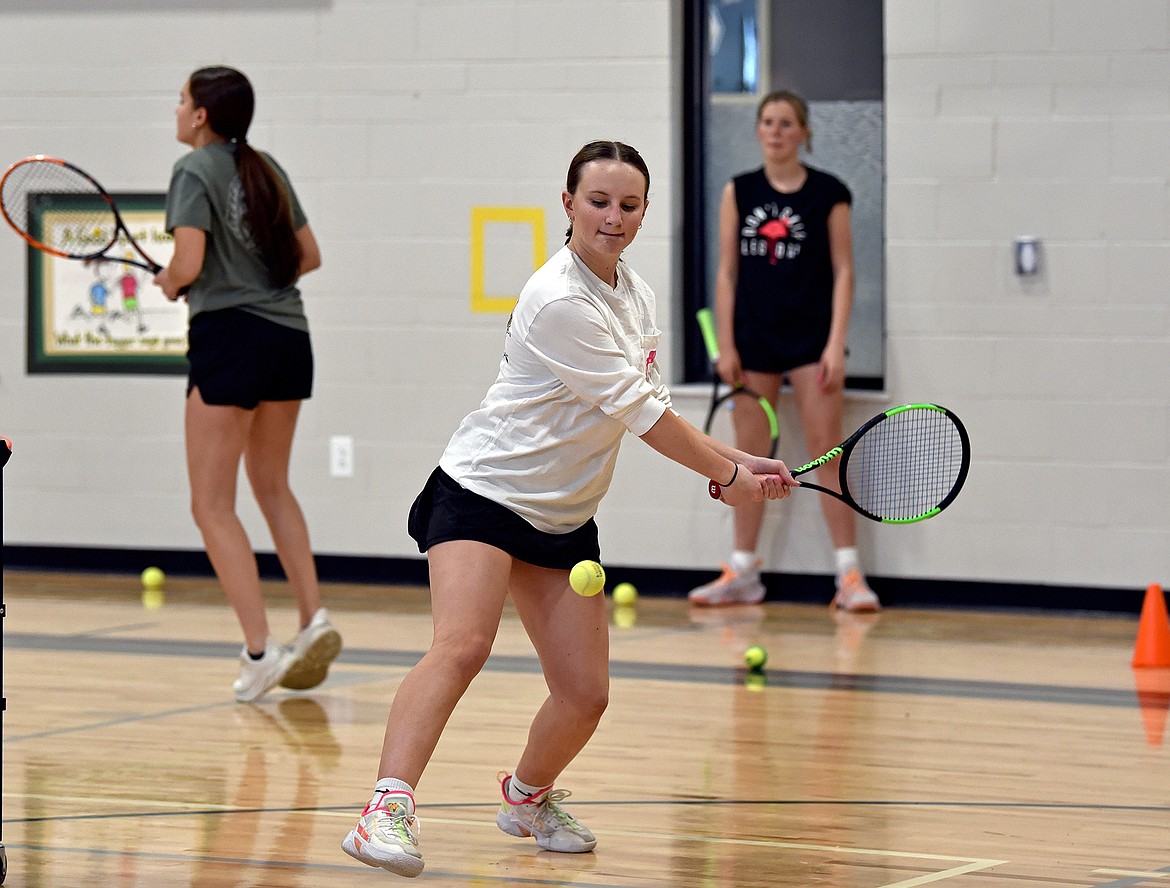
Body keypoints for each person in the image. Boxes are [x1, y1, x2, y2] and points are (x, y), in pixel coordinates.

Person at [341, 140, 797, 877]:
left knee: (585, 695)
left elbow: (652, 405)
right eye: (598, 201)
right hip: (483, 492)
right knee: (463, 644)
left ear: (644, 211)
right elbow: (642, 419)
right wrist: (725, 475)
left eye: (628, 204)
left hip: (563, 514)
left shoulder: (635, 296)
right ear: (567, 204)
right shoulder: (558, 299)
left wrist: (738, 463)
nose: (613, 217)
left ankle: (526, 797)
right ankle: (384, 811)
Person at [153, 66, 341, 703]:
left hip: (229, 339)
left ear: (202, 115)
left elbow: (189, 261)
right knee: (272, 485)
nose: (176, 110)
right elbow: (308, 256)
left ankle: (260, 653)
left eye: (181, 101)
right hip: (288, 338)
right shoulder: (266, 167)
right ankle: (314, 618)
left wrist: (173, 282)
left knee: (210, 504)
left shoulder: (192, 172)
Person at [688, 90, 879, 612]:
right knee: (747, 456)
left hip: (812, 342)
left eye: (786, 123)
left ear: (802, 133)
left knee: (827, 449)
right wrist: (726, 343)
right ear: (758, 131)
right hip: (752, 340)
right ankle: (743, 571)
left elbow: (844, 272)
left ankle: (849, 574)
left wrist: (836, 343)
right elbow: (726, 271)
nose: (776, 131)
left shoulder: (830, 193)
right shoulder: (739, 191)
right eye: (767, 122)